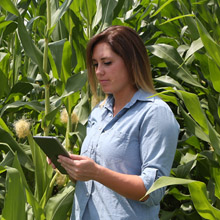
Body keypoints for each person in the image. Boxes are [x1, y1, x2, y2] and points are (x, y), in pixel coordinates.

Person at [55, 25, 180, 220]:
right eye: (95, 64)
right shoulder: (98, 113)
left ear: (132, 63)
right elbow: (90, 181)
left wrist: (97, 172)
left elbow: (153, 191)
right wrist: (69, 166)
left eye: (107, 62)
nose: (98, 72)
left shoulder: (155, 113)